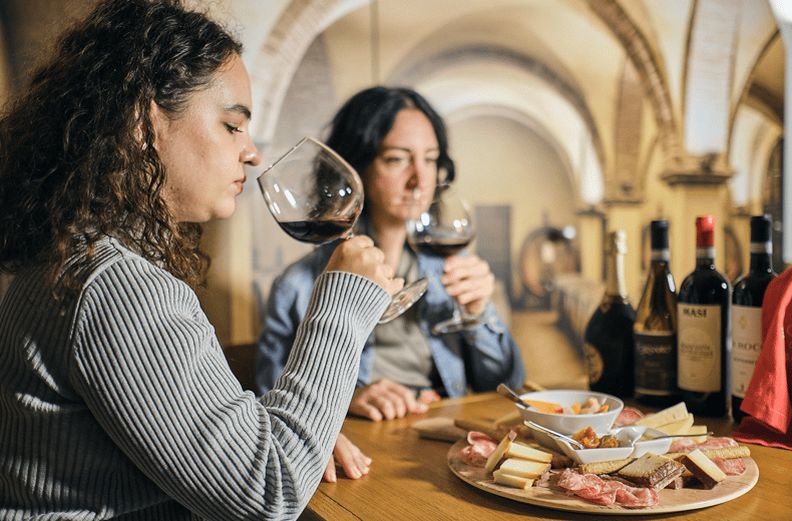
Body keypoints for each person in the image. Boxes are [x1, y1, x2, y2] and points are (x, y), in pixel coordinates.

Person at [0, 1, 402, 519]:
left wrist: (299, 434)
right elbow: (267, 495)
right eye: (233, 126)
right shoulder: (115, 287)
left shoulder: (80, 258)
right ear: (143, 124)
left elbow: (202, 438)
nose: (253, 153)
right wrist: (342, 305)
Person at [255, 86, 525, 481]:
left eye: (430, 159)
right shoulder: (297, 285)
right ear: (356, 166)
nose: (419, 179)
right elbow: (268, 403)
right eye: (397, 159)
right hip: (360, 455)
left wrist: (479, 315)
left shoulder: (451, 269)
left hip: (440, 446)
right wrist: (349, 397)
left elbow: (506, 385)